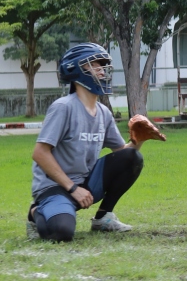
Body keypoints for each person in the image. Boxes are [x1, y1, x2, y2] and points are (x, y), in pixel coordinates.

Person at [27, 43, 149, 241]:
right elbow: (40, 153)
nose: (102, 70)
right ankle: (35, 212)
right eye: (94, 65)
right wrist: (73, 189)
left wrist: (139, 139)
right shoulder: (63, 107)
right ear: (75, 70)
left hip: (86, 182)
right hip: (55, 187)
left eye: (103, 65)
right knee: (61, 233)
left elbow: (122, 154)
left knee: (132, 157)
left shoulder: (104, 112)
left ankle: (103, 218)